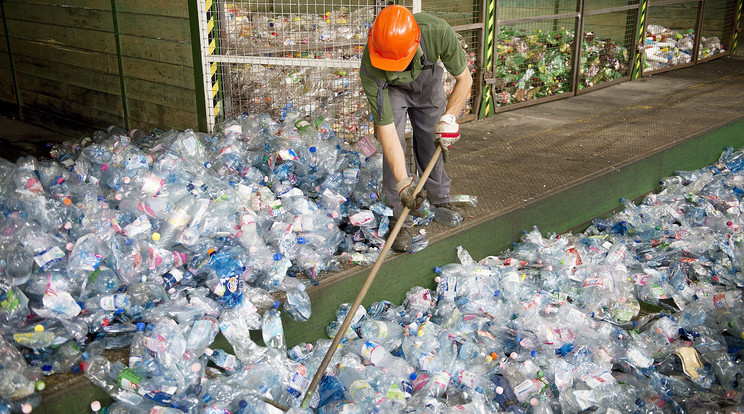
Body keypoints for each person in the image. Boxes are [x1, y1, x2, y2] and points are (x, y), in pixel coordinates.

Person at [360, 5, 473, 252]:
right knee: (396, 147)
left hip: (427, 79)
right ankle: (399, 218)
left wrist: (449, 118)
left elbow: (465, 79)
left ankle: (439, 197)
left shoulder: (438, 32)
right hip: (392, 90)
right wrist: (403, 182)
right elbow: (388, 130)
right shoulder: (370, 64)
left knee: (430, 138)